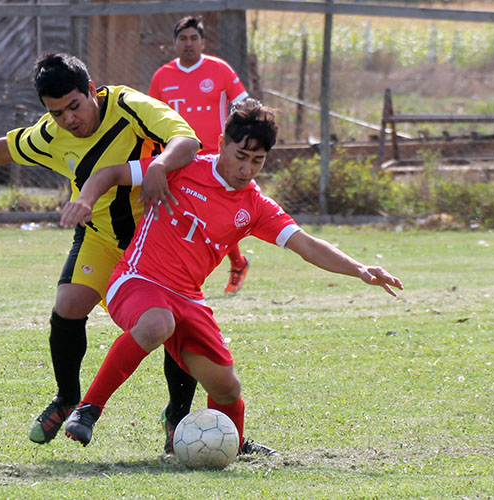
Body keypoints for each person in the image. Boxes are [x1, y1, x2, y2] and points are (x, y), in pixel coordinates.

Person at [57, 99, 403, 455]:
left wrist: (360, 269)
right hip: (137, 280)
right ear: (221, 144)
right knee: (158, 323)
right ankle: (89, 409)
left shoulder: (254, 206)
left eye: (258, 161)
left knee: (226, 389)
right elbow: (108, 174)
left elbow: (308, 245)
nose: (247, 169)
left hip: (188, 298)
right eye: (240, 156)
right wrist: (86, 199)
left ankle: (232, 445)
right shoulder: (182, 168)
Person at [0, 52, 202, 450]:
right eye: (57, 112)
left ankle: (177, 417)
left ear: (91, 90)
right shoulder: (52, 135)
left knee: (175, 326)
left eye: (74, 106)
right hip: (101, 235)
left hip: (156, 241)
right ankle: (67, 397)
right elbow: (9, 146)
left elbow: (186, 140)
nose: (69, 118)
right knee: (68, 304)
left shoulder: (129, 106)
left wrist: (159, 166)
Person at [149, 15, 252, 296]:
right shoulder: (162, 76)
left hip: (216, 159)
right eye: (183, 38)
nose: (189, 43)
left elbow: (243, 104)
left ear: (203, 42)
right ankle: (176, 273)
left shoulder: (219, 69)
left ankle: (235, 264)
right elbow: (151, 119)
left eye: (194, 38)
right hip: (178, 159)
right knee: (179, 216)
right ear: (175, 43)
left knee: (218, 217)